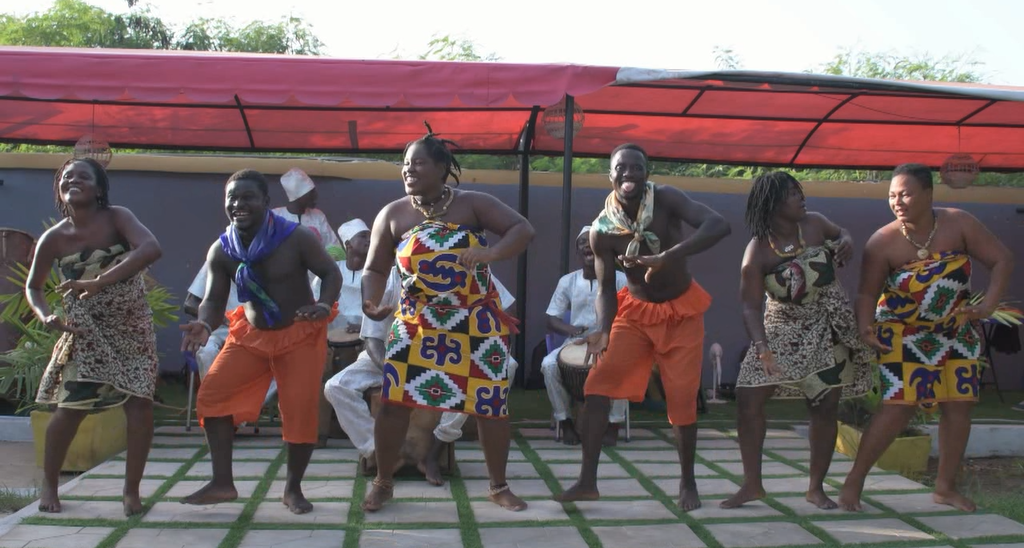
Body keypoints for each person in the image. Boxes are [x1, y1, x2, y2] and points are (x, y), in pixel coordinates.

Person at [359, 123, 534, 513]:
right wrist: (371, 301)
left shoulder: (473, 204)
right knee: (393, 402)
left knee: (490, 405)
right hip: (416, 324)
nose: (409, 170)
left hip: (475, 324)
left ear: (442, 168)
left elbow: (522, 229)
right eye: (405, 164)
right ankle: (383, 482)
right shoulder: (392, 214)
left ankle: (498, 486)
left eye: (418, 163)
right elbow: (374, 268)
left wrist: (491, 253)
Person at [556, 143, 731, 512]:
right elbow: (606, 288)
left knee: (681, 399)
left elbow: (719, 225)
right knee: (597, 387)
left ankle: (687, 482)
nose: (629, 174)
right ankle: (587, 482)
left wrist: (668, 256)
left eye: (637, 167)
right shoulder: (602, 230)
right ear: (610, 175)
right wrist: (604, 329)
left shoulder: (667, 199)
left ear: (647, 172)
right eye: (621, 168)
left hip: (681, 313)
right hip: (635, 314)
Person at [838, 164, 1013, 513]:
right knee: (898, 407)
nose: (897, 202)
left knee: (959, 406)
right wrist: (865, 326)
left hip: (957, 330)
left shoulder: (959, 223)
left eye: (905, 194)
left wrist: (988, 305)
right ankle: (853, 482)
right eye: (892, 195)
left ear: (928, 194)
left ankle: (944, 488)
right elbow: (866, 293)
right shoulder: (882, 241)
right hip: (903, 333)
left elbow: (1002, 259)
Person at [179, 169, 343, 515]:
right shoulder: (222, 249)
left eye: (247, 197)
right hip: (250, 336)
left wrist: (324, 304)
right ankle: (222, 482)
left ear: (266, 202)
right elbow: (213, 299)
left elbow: (331, 272)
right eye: (232, 198)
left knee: (299, 412)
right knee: (212, 396)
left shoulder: (296, 237)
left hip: (299, 334)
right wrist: (204, 324)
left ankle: (292, 489)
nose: (238, 204)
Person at [720, 172, 874, 511]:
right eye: (792, 194)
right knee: (748, 399)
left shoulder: (815, 223)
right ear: (772, 203)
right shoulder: (758, 251)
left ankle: (815, 489)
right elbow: (749, 307)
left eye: (798, 191)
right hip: (780, 330)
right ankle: (752, 484)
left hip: (827, 326)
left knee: (824, 407)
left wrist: (846, 240)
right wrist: (762, 348)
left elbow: (841, 233)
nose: (800, 198)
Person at [26, 158, 163, 516]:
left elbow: (151, 248)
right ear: (59, 188)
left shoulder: (118, 217)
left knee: (140, 405)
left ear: (99, 188)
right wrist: (46, 314)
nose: (73, 180)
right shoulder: (54, 238)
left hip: (132, 328)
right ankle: (50, 484)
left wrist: (100, 281)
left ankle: (131, 492)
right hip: (85, 332)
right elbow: (34, 287)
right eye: (66, 177)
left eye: (83, 176)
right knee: (69, 410)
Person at [323, 267, 520, 484]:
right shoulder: (389, 276)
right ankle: (377, 449)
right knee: (336, 387)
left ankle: (436, 448)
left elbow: (508, 309)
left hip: (451, 357)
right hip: (391, 356)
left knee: (505, 366)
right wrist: (396, 373)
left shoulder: (470, 267)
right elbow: (372, 339)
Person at [541, 225, 629, 446]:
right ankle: (566, 422)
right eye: (582, 243)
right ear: (577, 252)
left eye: (592, 242)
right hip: (576, 342)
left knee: (624, 366)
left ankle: (614, 425)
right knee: (548, 365)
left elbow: (632, 315)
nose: (587, 246)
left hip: (611, 340)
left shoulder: (620, 279)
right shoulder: (568, 281)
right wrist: (571, 330)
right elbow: (551, 318)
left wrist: (607, 333)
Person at [183, 261, 240, 378]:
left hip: (258, 329)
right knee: (206, 351)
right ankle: (212, 389)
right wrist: (219, 318)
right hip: (220, 327)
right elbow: (190, 303)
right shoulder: (220, 255)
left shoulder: (272, 258)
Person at [313, 219, 371, 334]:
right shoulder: (331, 272)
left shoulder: (377, 274)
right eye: (363, 236)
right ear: (348, 244)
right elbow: (315, 302)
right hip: (332, 334)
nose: (369, 240)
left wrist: (364, 328)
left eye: (370, 237)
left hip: (367, 334)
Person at [272, 168, 341, 249]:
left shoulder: (318, 216)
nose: (316, 196)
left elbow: (334, 247)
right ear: (299, 196)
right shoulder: (275, 216)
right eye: (311, 192)